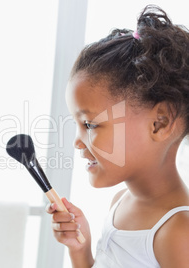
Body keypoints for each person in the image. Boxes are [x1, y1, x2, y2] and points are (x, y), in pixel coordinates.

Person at [46, 5, 189, 268]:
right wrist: (81, 249)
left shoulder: (178, 232)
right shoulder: (120, 201)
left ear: (159, 123)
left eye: (90, 124)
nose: (78, 141)